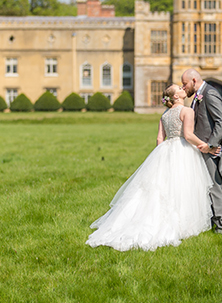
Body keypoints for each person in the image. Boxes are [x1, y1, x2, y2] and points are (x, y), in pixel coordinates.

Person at [86, 84, 213, 251]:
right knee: (182, 185)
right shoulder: (187, 111)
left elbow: (160, 139)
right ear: (176, 97)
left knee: (162, 187)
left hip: (166, 150)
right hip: (182, 150)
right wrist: (207, 146)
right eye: (179, 89)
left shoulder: (165, 115)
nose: (183, 89)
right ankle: (183, 222)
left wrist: (161, 155)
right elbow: (188, 135)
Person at [181, 69, 222, 233]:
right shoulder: (199, 95)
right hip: (201, 147)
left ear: (193, 80)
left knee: (215, 186)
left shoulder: (210, 93)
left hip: (210, 149)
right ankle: (210, 221)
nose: (183, 87)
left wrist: (211, 145)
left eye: (185, 84)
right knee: (205, 186)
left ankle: (220, 227)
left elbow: (221, 121)